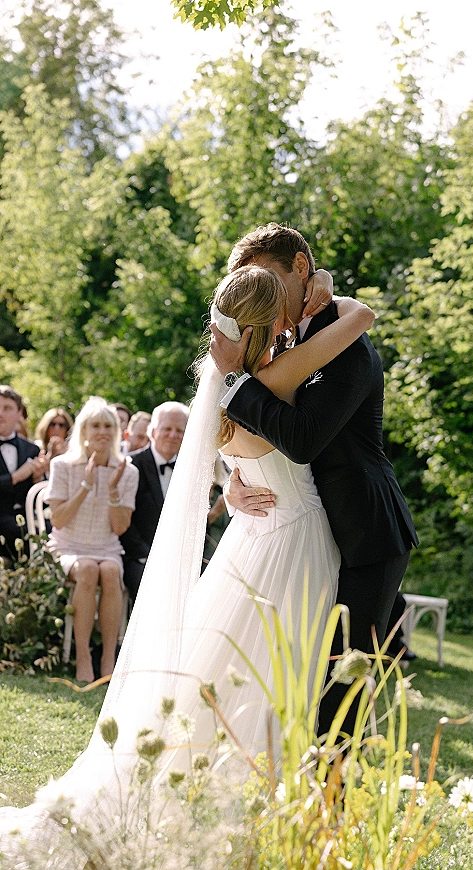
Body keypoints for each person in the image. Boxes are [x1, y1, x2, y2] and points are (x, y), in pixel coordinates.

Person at [0, 264, 375, 856]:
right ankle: (273, 817)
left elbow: (232, 454)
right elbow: (359, 319)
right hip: (296, 544)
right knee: (278, 678)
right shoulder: (276, 378)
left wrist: (233, 484)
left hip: (255, 543)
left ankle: (261, 810)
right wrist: (326, 298)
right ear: (269, 324)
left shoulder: (217, 381)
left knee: (230, 677)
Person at [210, 223, 419, 736]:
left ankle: (332, 804)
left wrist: (234, 382)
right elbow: (243, 437)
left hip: (367, 533)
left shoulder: (347, 344)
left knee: (343, 682)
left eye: (268, 280)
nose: (260, 299)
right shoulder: (286, 342)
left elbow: (302, 440)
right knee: (301, 671)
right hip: (313, 533)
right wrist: (231, 479)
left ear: (301, 269)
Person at [44, 397, 139, 682]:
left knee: (109, 571)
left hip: (106, 547)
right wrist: (86, 484)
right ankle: (83, 657)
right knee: (87, 569)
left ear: (116, 431)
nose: (102, 432)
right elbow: (58, 520)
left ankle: (108, 658)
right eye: (95, 425)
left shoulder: (128, 471)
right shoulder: (63, 465)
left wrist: (111, 489)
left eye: (108, 426)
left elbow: (120, 528)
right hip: (67, 546)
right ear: (84, 430)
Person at [120, 401, 189, 603]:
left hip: (180, 558)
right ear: (152, 431)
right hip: (139, 557)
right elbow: (125, 522)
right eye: (166, 428)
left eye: (179, 430)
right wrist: (148, 556)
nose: (173, 435)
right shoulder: (131, 466)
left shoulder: (190, 469)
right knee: (153, 591)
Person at [0, 385, 49, 561]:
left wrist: (37, 479)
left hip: (28, 518)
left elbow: (42, 502)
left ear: (19, 413)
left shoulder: (32, 449)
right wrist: (16, 477)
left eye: (7, 408)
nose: (1, 413)